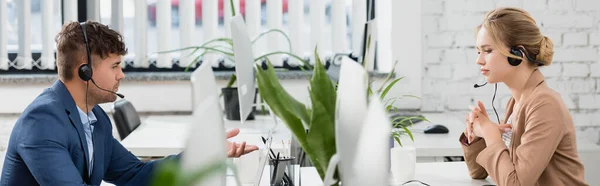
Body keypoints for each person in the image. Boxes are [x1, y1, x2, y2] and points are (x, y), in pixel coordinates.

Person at [1, 21, 258, 186]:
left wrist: (205, 153)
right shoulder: (43, 121)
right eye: (114, 66)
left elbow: (135, 175)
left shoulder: (96, 120)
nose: (121, 75)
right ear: (85, 72)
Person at [460, 7, 589, 186]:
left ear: (517, 54)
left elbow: (516, 184)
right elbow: (478, 173)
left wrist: (491, 135)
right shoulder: (516, 102)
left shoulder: (545, 104)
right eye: (478, 51)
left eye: (487, 50)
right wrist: (478, 135)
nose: (479, 60)